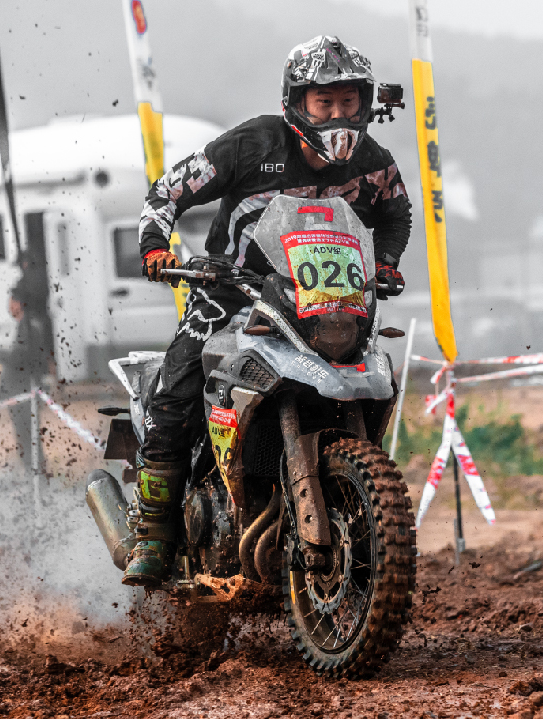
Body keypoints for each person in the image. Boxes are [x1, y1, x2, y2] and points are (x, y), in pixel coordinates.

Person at [123, 35, 413, 586]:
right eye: (325, 103)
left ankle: (349, 506)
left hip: (323, 298)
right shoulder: (252, 145)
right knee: (177, 388)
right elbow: (167, 191)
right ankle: (154, 532)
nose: (338, 115)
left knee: (364, 382)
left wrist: (387, 262)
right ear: (297, 103)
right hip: (231, 290)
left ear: (366, 103)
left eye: (348, 102)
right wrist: (156, 248)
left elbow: (397, 215)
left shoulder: (374, 161)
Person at [4, 251, 55, 470]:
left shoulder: (24, 283)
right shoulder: (42, 278)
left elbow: (18, 357)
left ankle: (34, 466)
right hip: (41, 329)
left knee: (26, 424)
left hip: (26, 371)